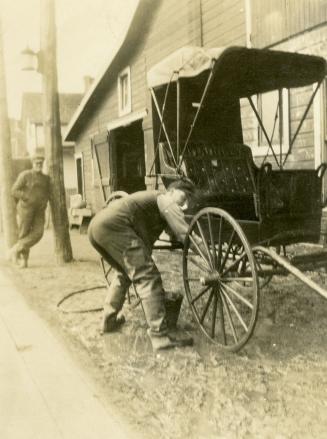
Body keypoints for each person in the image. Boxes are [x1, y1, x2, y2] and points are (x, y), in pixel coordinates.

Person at [88, 177, 202, 351]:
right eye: (183, 196)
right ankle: (160, 336)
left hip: (98, 227)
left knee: (124, 273)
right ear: (171, 191)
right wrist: (204, 249)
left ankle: (108, 321)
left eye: (189, 199)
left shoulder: (158, 203)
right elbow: (184, 233)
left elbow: (171, 232)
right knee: (147, 276)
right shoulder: (166, 199)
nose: (185, 203)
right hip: (114, 226)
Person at [9, 153, 51, 268]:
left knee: (38, 233)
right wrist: (26, 196)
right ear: (32, 163)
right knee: (24, 234)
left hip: (39, 211)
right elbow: (14, 190)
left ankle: (16, 248)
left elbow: (48, 193)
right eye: (37, 163)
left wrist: (44, 202)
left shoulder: (46, 178)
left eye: (41, 163)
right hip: (25, 210)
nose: (39, 165)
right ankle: (23, 261)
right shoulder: (25, 175)